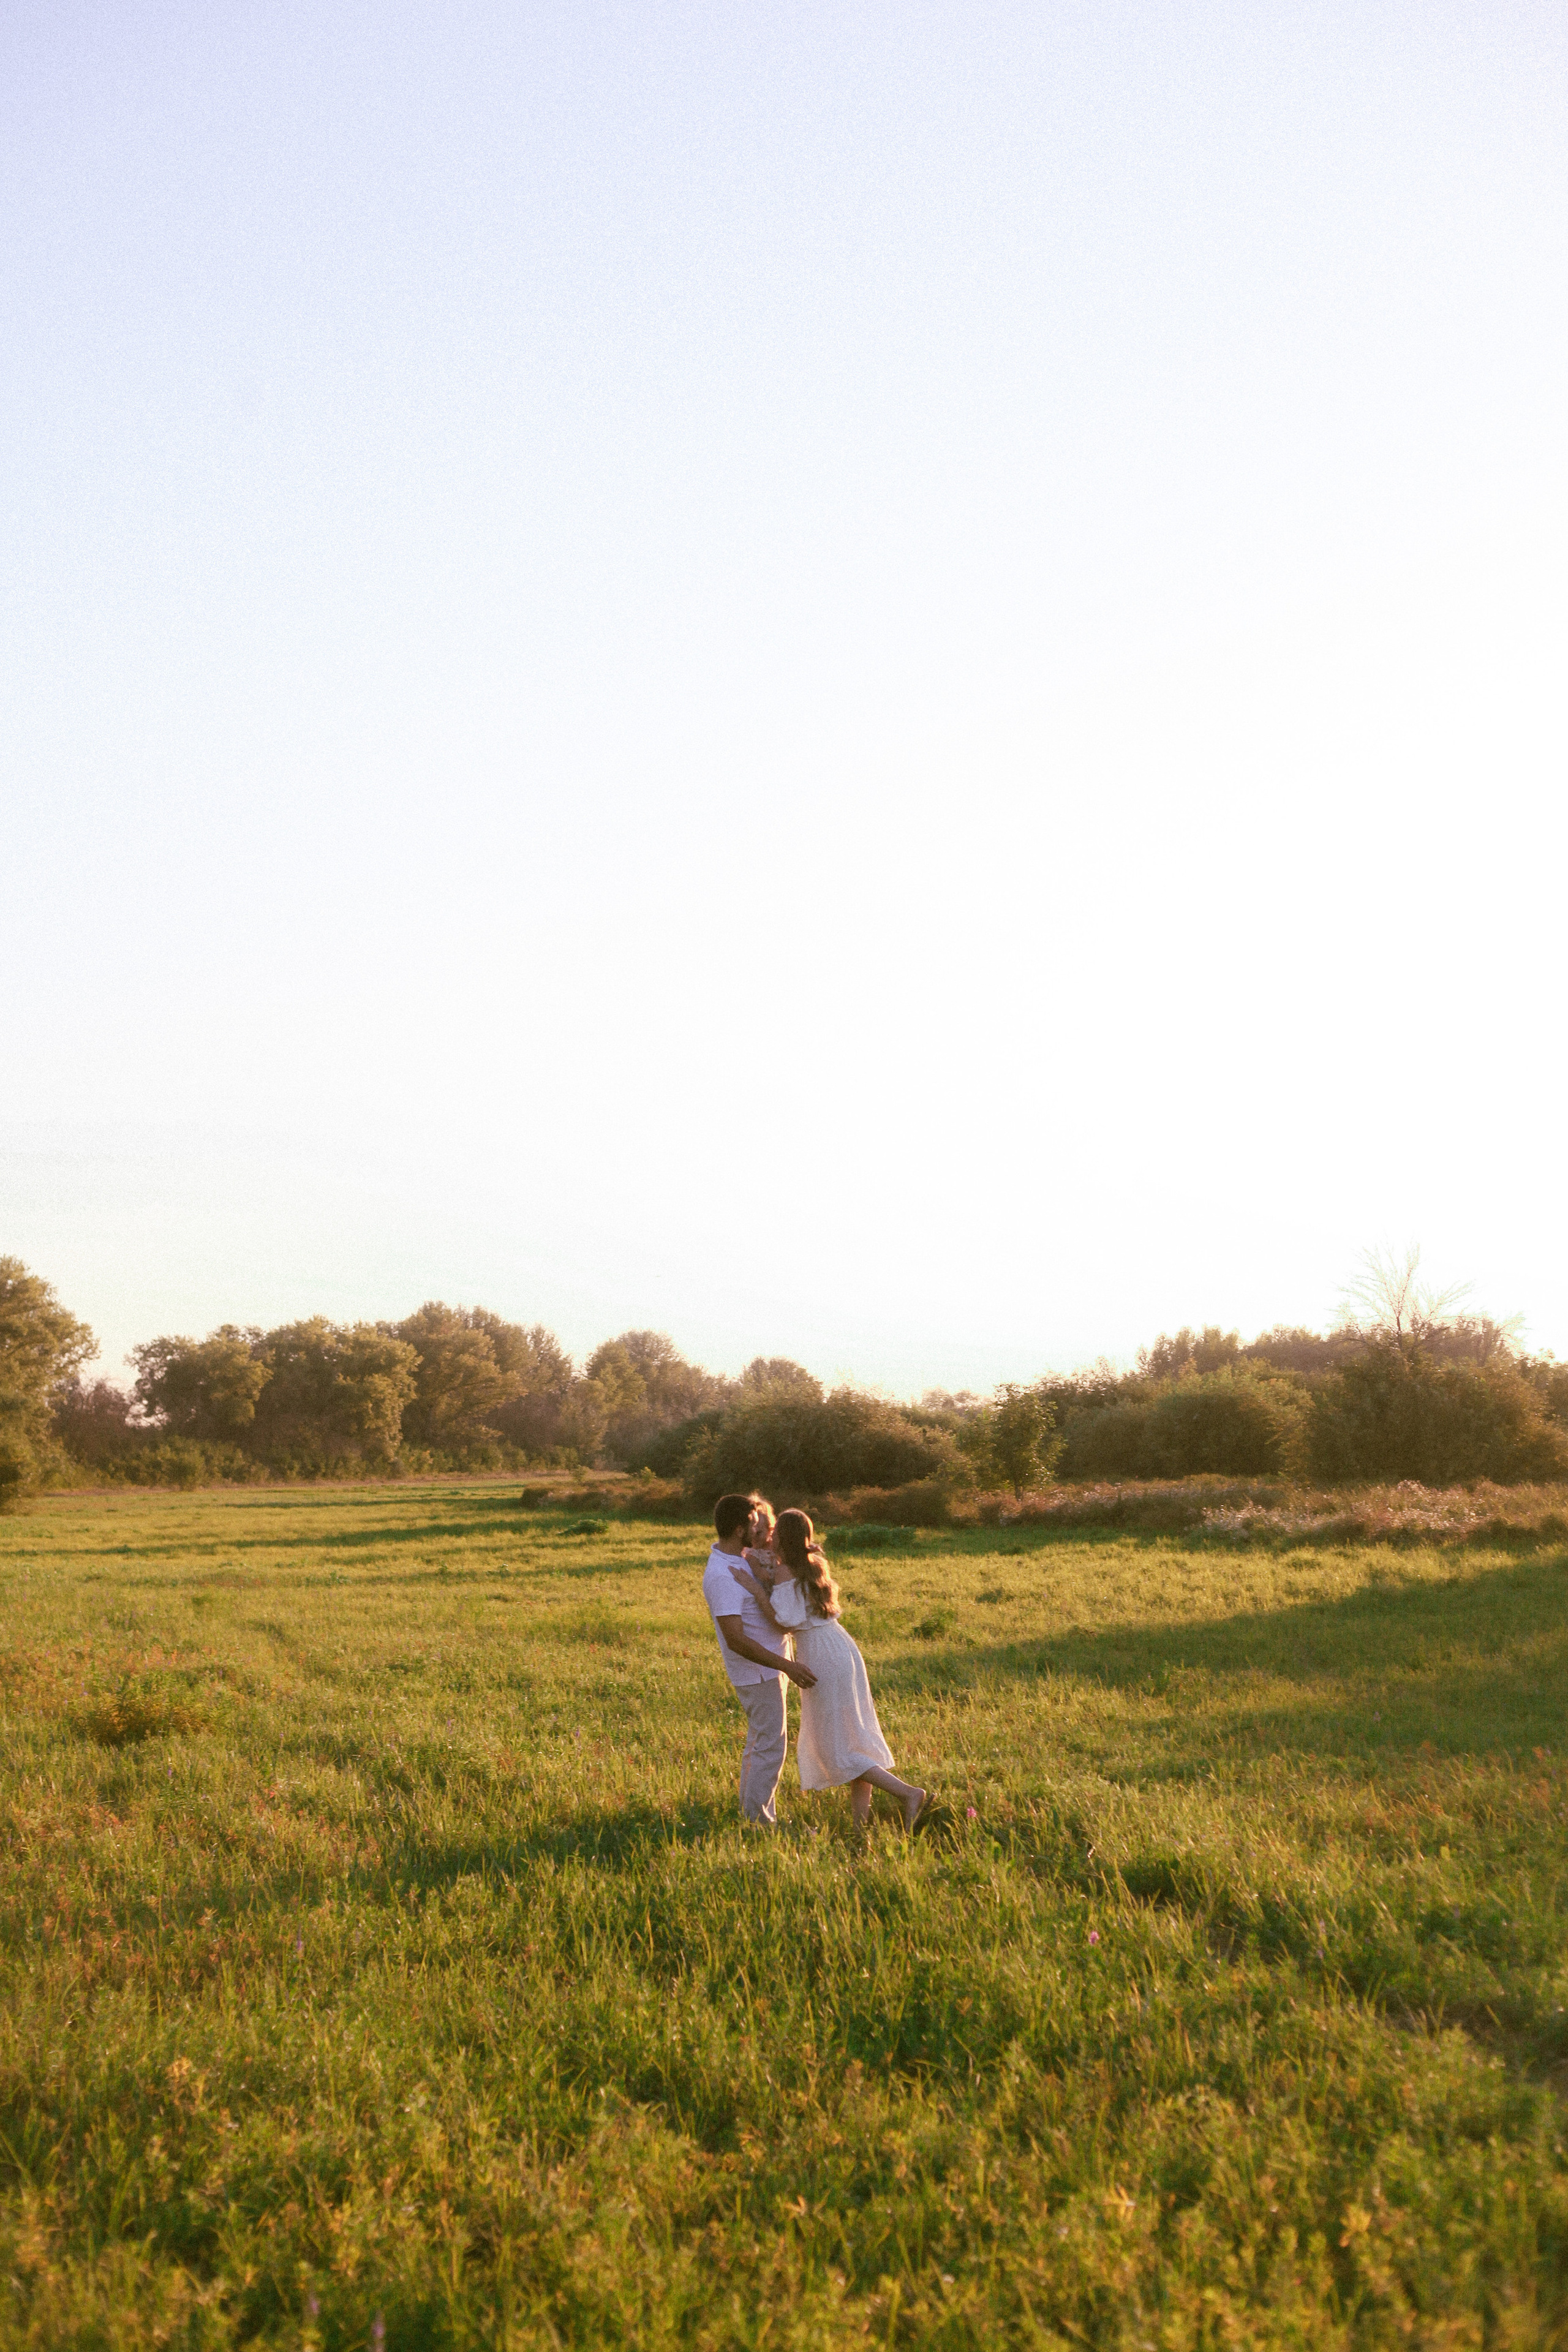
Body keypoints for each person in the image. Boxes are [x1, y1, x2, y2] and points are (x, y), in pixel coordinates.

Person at [732, 1508, 927, 1830]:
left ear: (784, 1537)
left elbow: (782, 1624)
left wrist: (754, 1589)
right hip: (842, 1648)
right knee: (853, 1739)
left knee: (836, 1748)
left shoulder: (785, 1571)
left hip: (820, 1655)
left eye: (776, 1530)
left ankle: (908, 1794)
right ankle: (859, 1828)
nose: (771, 1534)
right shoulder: (813, 1565)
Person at [701, 1491, 816, 1826]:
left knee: (760, 1743)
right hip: (759, 1673)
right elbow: (736, 1640)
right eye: (754, 1524)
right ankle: (760, 1822)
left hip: (769, 1668)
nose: (761, 1528)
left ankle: (752, 1813)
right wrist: (787, 1666)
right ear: (740, 1529)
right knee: (770, 1747)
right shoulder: (722, 1575)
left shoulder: (738, 1560)